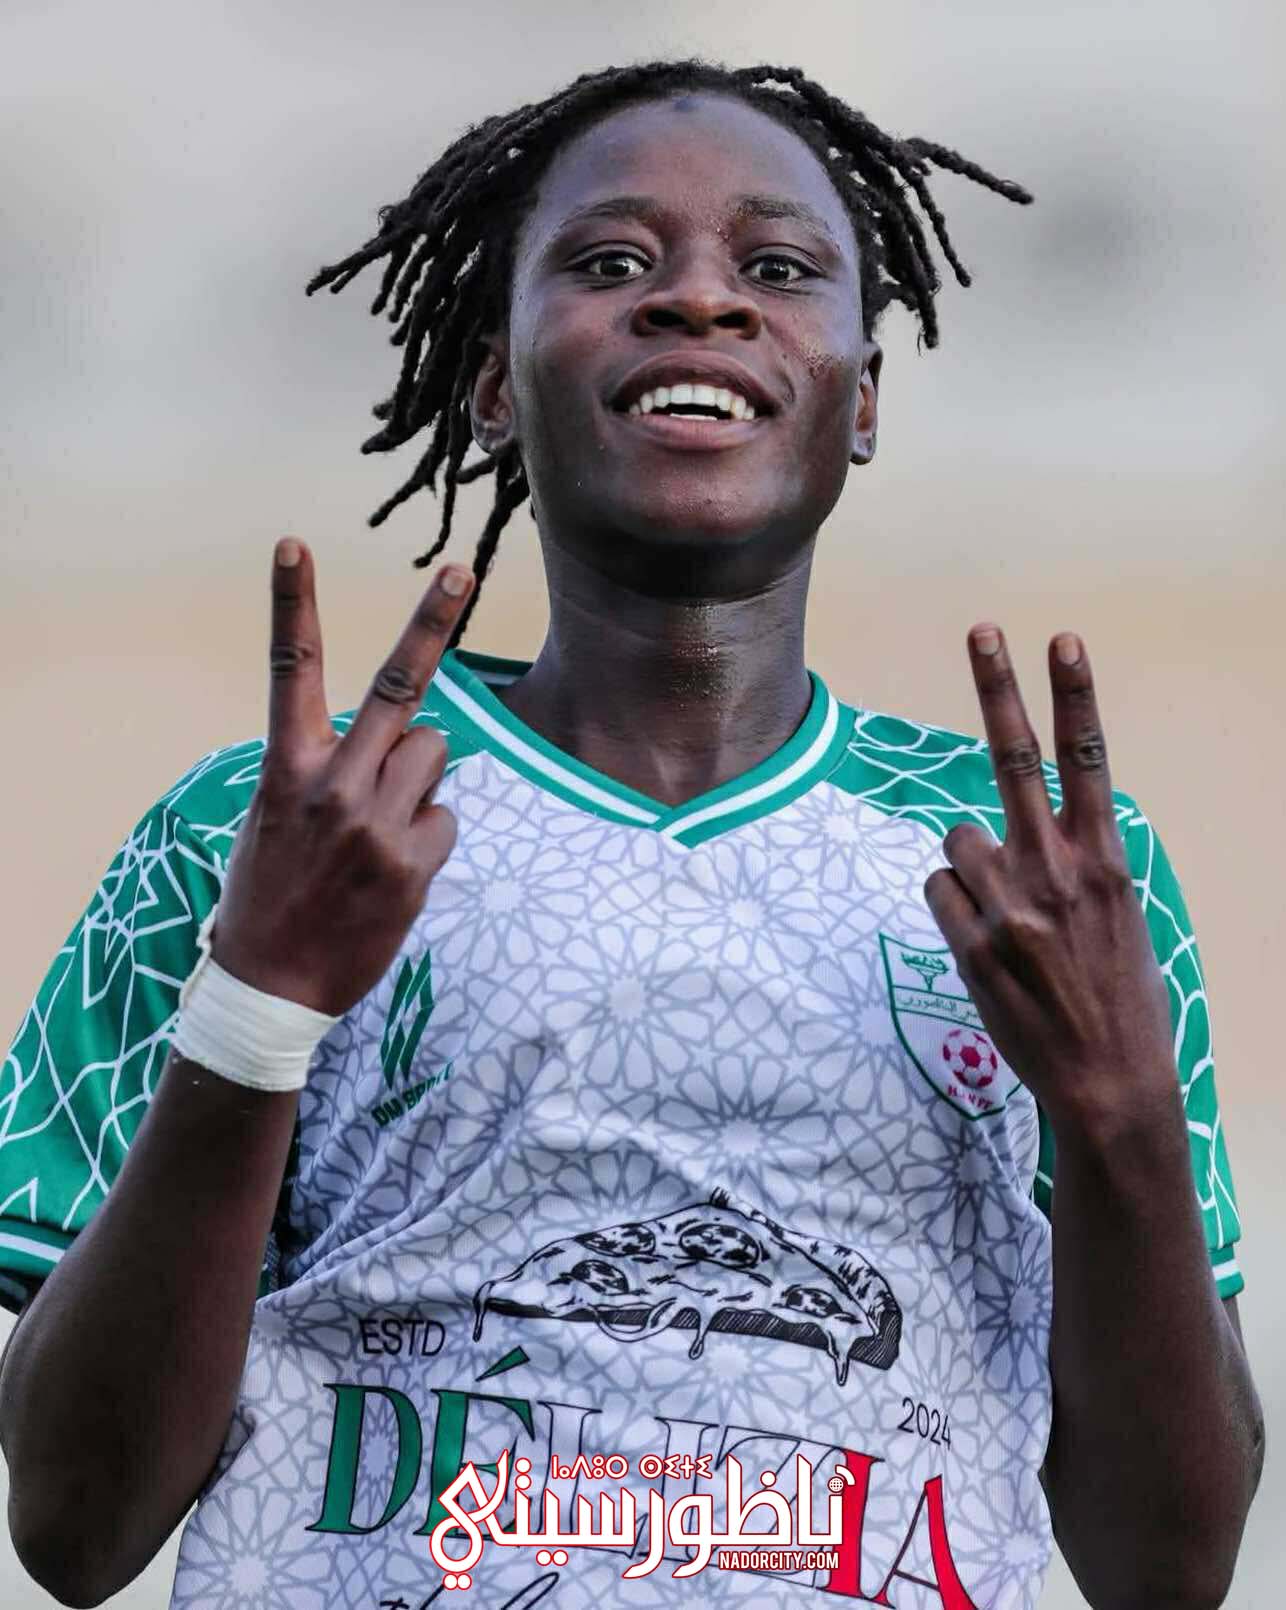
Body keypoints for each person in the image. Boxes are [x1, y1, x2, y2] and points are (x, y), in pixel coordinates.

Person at [0, 57, 1264, 1610]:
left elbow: (1166, 1567)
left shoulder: (1041, 877)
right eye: (608, 262)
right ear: (491, 381)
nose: (699, 299)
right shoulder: (271, 830)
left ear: (862, 398)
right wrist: (256, 1009)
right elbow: (73, 1527)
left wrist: (1118, 1111)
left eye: (777, 269)